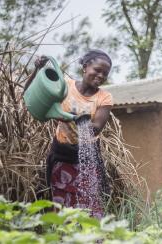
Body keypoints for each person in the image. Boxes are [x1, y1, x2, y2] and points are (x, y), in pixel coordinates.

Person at [25, 49, 113, 218]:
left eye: (105, 73)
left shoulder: (104, 97)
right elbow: (30, 94)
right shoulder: (65, 86)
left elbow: (96, 127)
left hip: (88, 159)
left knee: (91, 204)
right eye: (97, 70)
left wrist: (73, 118)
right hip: (62, 156)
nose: (101, 76)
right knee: (61, 206)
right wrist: (37, 70)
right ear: (85, 67)